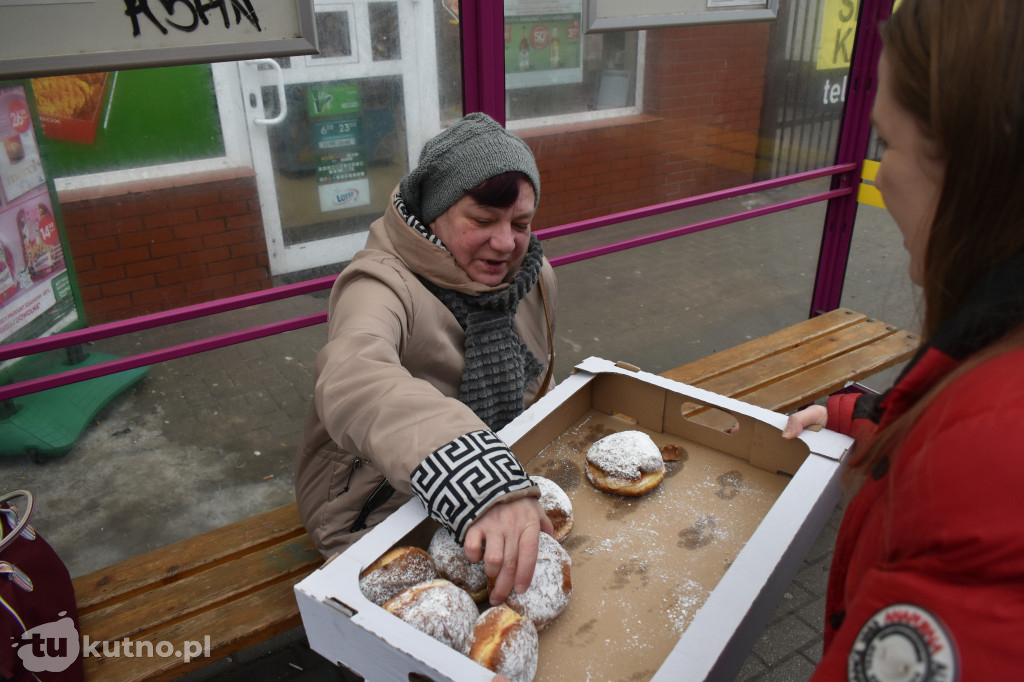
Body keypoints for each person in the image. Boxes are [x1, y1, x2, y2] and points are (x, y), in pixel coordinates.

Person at [782, 0, 1024, 678]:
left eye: (887, 141)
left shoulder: (989, 462)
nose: (880, 173)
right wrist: (855, 416)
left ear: (976, 158)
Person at [295, 112, 557, 606]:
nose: (505, 243)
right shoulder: (377, 283)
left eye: (520, 223)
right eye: (482, 220)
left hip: (496, 486)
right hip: (372, 509)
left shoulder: (535, 277)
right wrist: (475, 472)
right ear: (433, 214)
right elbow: (354, 375)